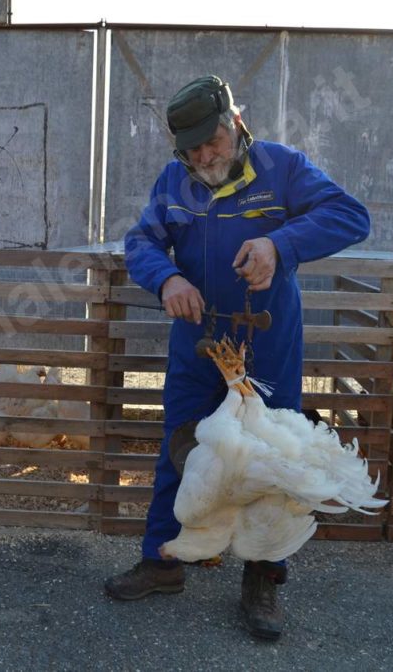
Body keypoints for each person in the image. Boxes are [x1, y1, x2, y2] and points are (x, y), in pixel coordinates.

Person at [106, 75, 370, 640]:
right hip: (198, 343)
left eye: (214, 143)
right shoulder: (174, 182)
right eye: (194, 151)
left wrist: (281, 244)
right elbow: (141, 243)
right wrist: (167, 277)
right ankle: (163, 560)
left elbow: (351, 216)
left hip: (267, 344)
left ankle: (263, 578)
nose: (206, 158)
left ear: (237, 125)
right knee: (179, 445)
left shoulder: (283, 168)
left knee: (272, 459)